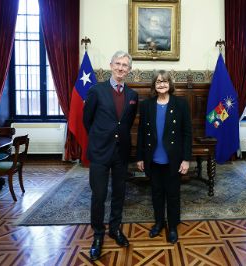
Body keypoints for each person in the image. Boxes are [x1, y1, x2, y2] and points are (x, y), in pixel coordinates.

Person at [83, 51, 138, 261]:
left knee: (119, 193)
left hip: (121, 152)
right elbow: (86, 121)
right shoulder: (96, 90)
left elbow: (127, 122)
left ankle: (115, 229)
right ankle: (98, 235)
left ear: (129, 70)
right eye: (118, 64)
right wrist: (99, 138)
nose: (121, 68)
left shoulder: (132, 96)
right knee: (98, 195)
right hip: (99, 151)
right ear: (111, 65)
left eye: (125, 65)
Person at [136, 70, 192, 244]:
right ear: (154, 85)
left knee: (173, 194)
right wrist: (140, 157)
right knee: (157, 193)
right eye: (158, 81)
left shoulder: (181, 104)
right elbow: (141, 134)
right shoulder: (146, 105)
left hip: (173, 159)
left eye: (165, 81)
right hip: (153, 159)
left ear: (170, 84)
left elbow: (187, 133)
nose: (161, 84)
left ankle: (173, 226)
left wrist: (186, 159)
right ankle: (159, 222)